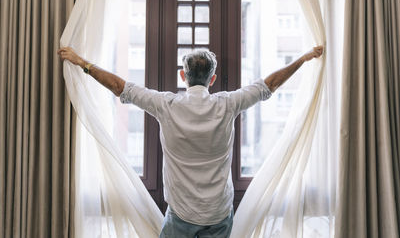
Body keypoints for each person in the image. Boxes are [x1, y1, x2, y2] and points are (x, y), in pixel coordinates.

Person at [58, 46, 324, 238]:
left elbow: (119, 86)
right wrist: (302, 58)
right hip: (219, 214)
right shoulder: (228, 104)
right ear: (213, 79)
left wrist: (83, 62)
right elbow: (270, 84)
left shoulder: (166, 105)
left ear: (183, 76)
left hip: (181, 215)